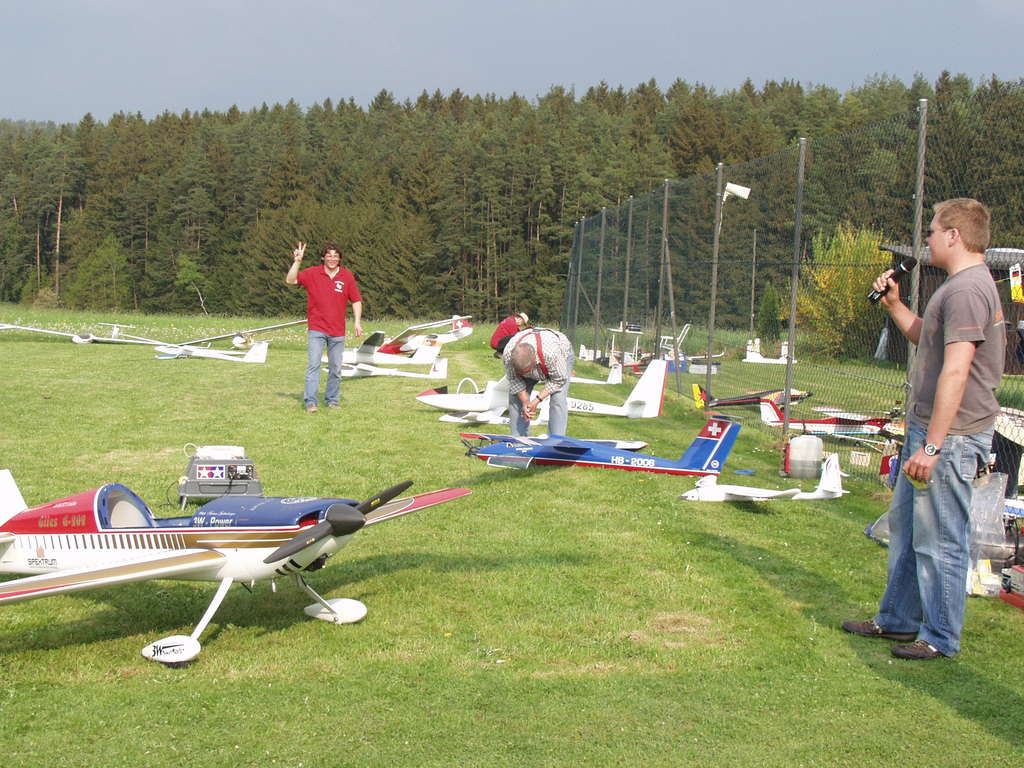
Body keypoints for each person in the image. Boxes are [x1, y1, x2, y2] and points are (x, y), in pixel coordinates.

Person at [843, 198, 1005, 660]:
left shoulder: (968, 290)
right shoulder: (955, 287)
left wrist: (932, 447)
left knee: (941, 541)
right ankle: (898, 619)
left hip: (951, 439)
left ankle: (939, 637)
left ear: (954, 235)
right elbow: (927, 340)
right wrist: (895, 306)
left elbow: (956, 371)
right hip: (932, 433)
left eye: (932, 232)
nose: (927, 240)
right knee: (910, 533)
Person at [286, 241, 363, 412]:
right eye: (329, 255)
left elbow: (356, 300)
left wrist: (357, 322)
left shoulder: (346, 276)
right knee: (314, 366)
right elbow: (290, 280)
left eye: (335, 256)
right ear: (323, 258)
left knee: (335, 369)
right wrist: (297, 261)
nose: (332, 259)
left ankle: (332, 400)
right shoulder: (312, 273)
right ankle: (310, 402)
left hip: (337, 331)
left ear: (340, 259)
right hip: (317, 329)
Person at [502, 326, 573, 436]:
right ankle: (520, 441)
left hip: (560, 355)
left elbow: (558, 380)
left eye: (526, 372)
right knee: (515, 398)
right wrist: (525, 402)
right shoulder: (508, 355)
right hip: (537, 356)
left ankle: (556, 440)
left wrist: (536, 401)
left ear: (535, 362)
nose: (524, 375)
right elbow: (514, 379)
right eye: (520, 372)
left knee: (558, 400)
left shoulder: (552, 355)